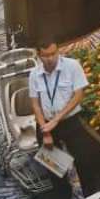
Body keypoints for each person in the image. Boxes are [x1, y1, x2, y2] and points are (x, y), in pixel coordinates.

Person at [29, 42, 89, 189]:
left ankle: (90, 194)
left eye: (53, 53)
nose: (50, 58)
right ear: (38, 55)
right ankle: (62, 195)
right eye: (45, 55)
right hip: (46, 124)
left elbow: (78, 95)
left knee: (84, 162)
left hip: (71, 122)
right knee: (53, 167)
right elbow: (35, 104)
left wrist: (56, 119)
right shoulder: (34, 74)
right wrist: (46, 131)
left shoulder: (72, 66)